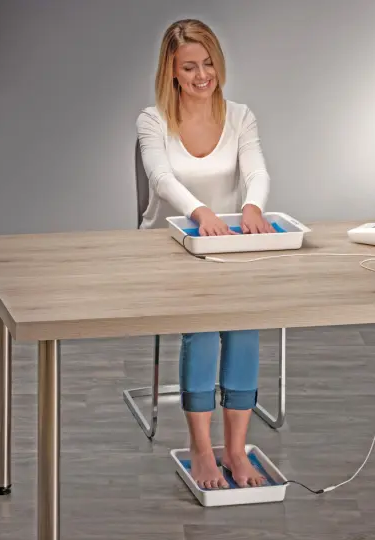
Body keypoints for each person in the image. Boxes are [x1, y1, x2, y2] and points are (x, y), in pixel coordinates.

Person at [136, 18, 274, 489]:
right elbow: (161, 179)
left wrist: (252, 205)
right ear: (171, 72)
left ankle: (235, 450)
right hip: (167, 248)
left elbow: (256, 170)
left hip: (224, 246)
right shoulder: (152, 118)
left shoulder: (240, 116)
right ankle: (200, 450)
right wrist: (199, 211)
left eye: (208, 63)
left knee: (244, 325)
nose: (202, 75)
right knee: (202, 327)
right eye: (189, 66)